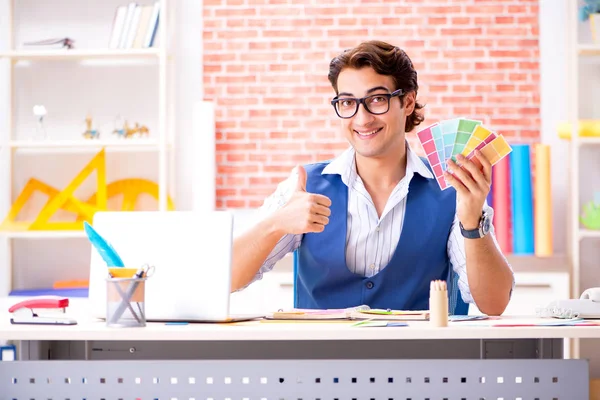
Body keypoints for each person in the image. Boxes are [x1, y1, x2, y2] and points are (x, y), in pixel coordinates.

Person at [231, 40, 514, 316]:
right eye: (347, 102)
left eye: (377, 99)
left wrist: (472, 219)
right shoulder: (304, 185)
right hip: (320, 359)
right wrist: (275, 224)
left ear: (407, 102)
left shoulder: (451, 191)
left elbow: (494, 304)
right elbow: (227, 279)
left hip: (420, 359)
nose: (362, 118)